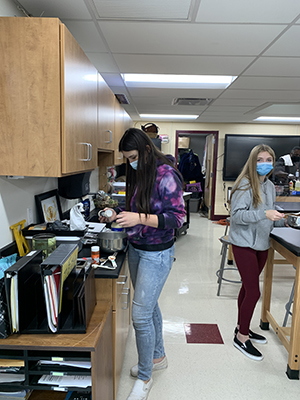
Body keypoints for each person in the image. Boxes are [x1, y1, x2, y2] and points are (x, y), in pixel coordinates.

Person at [99, 127, 186, 400]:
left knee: (140, 316)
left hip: (157, 252)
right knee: (149, 307)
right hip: (137, 248)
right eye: (126, 158)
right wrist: (117, 212)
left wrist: (139, 218)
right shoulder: (138, 173)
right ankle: (158, 357)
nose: (130, 162)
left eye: (133, 156)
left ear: (147, 150)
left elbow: (177, 219)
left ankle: (146, 377)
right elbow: (134, 207)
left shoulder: (167, 175)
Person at [228, 144, 287, 361]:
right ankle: (242, 338)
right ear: (253, 162)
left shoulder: (269, 186)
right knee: (254, 292)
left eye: (268, 160)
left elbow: (269, 213)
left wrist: (283, 219)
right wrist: (264, 213)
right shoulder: (244, 185)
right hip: (243, 244)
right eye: (260, 160)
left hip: (262, 245)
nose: (265, 164)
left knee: (247, 288)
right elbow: (237, 216)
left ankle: (240, 327)